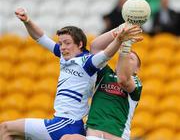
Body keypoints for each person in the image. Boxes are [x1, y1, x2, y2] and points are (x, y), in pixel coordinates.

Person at [0, 8, 142, 140]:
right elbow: (40, 37)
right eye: (60, 43)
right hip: (72, 125)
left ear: (79, 44)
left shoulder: (89, 62)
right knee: (7, 130)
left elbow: (106, 54)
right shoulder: (66, 56)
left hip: (69, 123)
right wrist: (27, 21)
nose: (62, 47)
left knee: (8, 128)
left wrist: (121, 40)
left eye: (67, 43)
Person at [60, 24, 143, 140]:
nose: (126, 57)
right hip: (93, 135)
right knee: (67, 138)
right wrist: (119, 30)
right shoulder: (105, 73)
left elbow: (123, 80)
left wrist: (126, 45)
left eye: (131, 58)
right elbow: (95, 46)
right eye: (124, 55)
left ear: (137, 69)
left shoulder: (136, 83)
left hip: (117, 137)